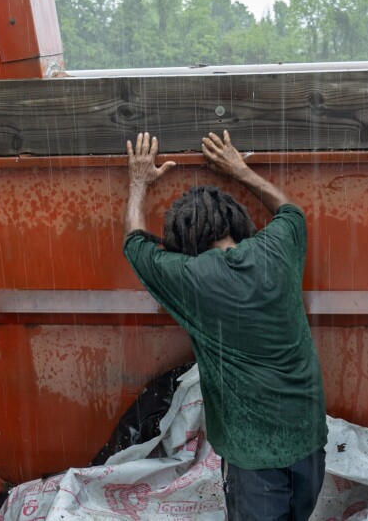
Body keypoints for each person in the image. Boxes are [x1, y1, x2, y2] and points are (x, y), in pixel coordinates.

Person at [121, 130, 328, 520]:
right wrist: (240, 169)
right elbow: (290, 211)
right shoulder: (280, 246)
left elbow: (135, 243)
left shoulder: (190, 279)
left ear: (184, 245)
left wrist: (138, 182)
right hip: (310, 433)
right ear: (236, 221)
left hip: (253, 456)